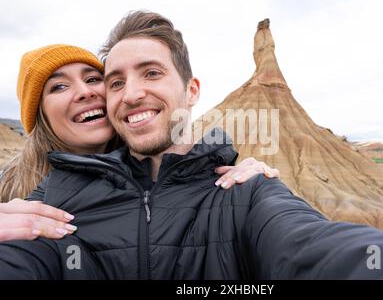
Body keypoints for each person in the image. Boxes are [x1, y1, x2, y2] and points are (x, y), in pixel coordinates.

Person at [1, 10, 383, 279]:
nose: (129, 92)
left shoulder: (243, 189)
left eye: (152, 73)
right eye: (116, 80)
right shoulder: (43, 207)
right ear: (38, 117)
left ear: (192, 90)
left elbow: (309, 246)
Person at [0, 44, 279, 243]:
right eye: (59, 86)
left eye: (94, 79)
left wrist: (250, 182)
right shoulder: (9, 188)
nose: (85, 92)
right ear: (40, 115)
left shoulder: (160, 175)